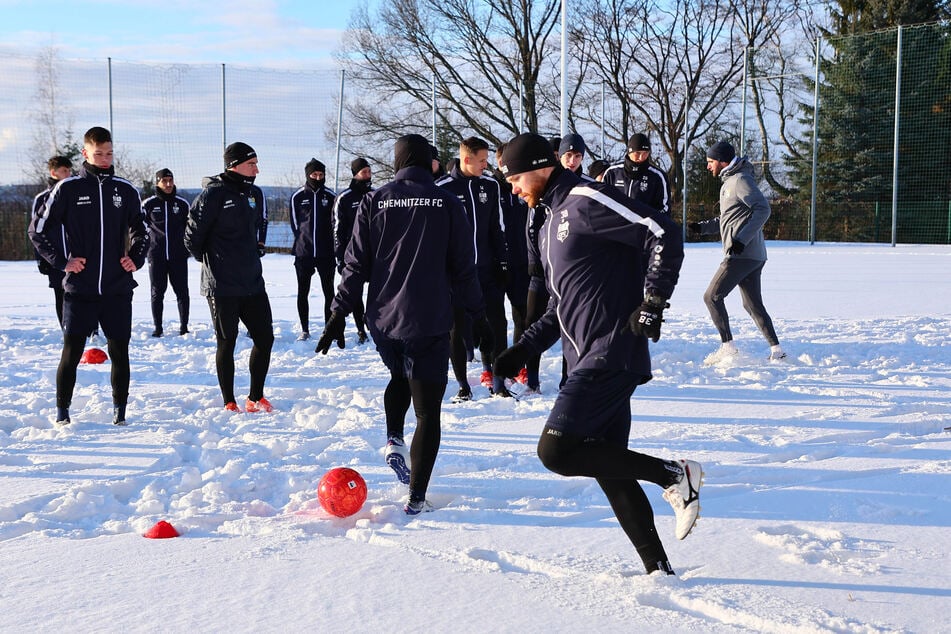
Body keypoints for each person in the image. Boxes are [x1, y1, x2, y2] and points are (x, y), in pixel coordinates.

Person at [493, 132, 702, 577]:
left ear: (536, 166)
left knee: (557, 452)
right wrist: (522, 351)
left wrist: (652, 301)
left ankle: (673, 474)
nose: (511, 187)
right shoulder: (548, 223)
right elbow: (559, 307)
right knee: (612, 469)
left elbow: (663, 231)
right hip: (581, 356)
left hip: (611, 349)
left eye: (512, 177)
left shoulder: (587, 197)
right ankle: (658, 570)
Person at [315, 133, 485, 515]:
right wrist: (479, 315)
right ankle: (416, 499)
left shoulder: (375, 199)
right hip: (429, 319)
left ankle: (393, 440)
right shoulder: (447, 201)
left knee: (400, 377)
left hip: (384, 321)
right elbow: (463, 268)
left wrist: (338, 313)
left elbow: (354, 264)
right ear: (428, 162)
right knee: (428, 412)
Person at [29, 127, 148, 426]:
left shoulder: (125, 189)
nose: (105, 159)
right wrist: (62, 262)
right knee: (72, 351)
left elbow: (141, 229)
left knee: (120, 350)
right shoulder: (68, 189)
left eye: (109, 153)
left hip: (117, 287)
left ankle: (120, 412)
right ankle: (62, 413)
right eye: (98, 154)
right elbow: (38, 230)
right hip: (79, 288)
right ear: (85, 153)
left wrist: (135, 258)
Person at [185, 142, 275, 413]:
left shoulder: (255, 194)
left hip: (252, 281)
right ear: (233, 165)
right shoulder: (212, 195)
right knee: (228, 341)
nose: (257, 169)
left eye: (257, 163)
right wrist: (214, 261)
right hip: (221, 285)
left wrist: (257, 246)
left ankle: (255, 396)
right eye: (251, 164)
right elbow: (191, 237)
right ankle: (229, 401)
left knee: (265, 338)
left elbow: (260, 224)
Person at [691, 141, 786, 364]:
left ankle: (727, 347)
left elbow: (763, 209)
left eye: (710, 162)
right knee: (751, 304)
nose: (708, 167)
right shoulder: (730, 182)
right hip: (753, 255)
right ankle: (777, 350)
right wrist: (702, 228)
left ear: (722, 161)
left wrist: (741, 241)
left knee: (711, 297)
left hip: (742, 254)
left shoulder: (740, 180)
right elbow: (729, 219)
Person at [436, 137, 509, 400]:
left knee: (497, 325)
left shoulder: (490, 185)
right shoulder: (443, 187)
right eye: (481, 160)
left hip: (487, 271)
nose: (486, 165)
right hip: (456, 276)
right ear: (466, 159)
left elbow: (497, 228)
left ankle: (499, 383)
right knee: (457, 330)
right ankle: (463, 386)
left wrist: (502, 261)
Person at [492, 143, 529, 387]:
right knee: (496, 322)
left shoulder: (526, 185)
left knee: (522, 318)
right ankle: (496, 368)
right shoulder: (489, 186)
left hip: (522, 262)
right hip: (495, 264)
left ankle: (518, 366)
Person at [289, 158, 337, 341]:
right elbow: (295, 224)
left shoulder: (331, 196)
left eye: (321, 174)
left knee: (329, 292)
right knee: (303, 291)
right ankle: (305, 329)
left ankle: (329, 328)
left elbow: (335, 223)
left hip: (326, 254)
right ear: (308, 175)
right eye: (314, 174)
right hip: (304, 254)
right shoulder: (298, 196)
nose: (318, 177)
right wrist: (303, 241)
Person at [141, 168, 190, 337]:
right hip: (156, 255)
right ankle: (158, 328)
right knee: (157, 292)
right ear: (157, 183)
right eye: (164, 181)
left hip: (178, 256)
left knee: (182, 291)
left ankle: (184, 327)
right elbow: (140, 227)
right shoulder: (148, 204)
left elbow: (190, 228)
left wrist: (188, 248)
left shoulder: (182, 204)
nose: (168, 184)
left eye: (170, 180)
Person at [332, 157, 373, 344]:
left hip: (375, 254)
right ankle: (360, 329)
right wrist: (340, 258)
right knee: (354, 292)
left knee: (377, 291)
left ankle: (374, 324)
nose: (368, 175)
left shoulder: (375, 194)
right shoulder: (344, 198)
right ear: (355, 173)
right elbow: (337, 229)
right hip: (353, 255)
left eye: (369, 171)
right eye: (364, 172)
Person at [29, 155, 73, 328]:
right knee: (60, 295)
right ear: (53, 173)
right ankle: (66, 330)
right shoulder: (42, 199)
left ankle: (92, 330)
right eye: (64, 171)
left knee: (84, 295)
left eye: (69, 170)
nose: (68, 174)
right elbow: (36, 231)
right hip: (55, 259)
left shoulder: (75, 195)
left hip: (77, 257)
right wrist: (42, 258)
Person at [601, 133, 671, 214]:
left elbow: (665, 208)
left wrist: (647, 221)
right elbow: (601, 201)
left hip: (644, 226)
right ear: (629, 152)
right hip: (617, 225)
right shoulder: (612, 173)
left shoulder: (657, 176)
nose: (641, 157)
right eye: (637, 153)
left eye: (645, 153)